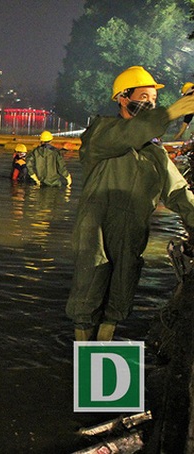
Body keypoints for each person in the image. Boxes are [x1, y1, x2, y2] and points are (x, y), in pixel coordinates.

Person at [66, 65, 194, 341]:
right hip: (95, 231)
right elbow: (128, 135)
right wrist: (170, 113)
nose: (150, 103)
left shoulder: (154, 152)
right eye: (144, 97)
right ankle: (82, 352)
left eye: (155, 100)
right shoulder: (101, 133)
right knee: (87, 291)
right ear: (123, 97)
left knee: (121, 295)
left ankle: (105, 346)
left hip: (131, 232)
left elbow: (179, 193)